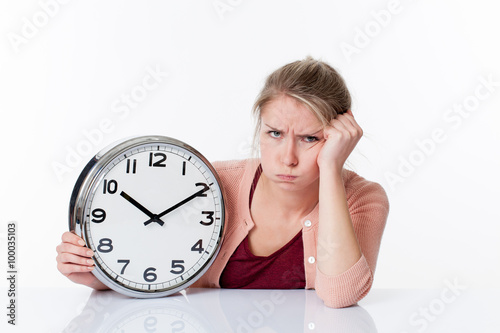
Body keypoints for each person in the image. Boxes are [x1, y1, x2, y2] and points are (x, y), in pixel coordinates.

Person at [56, 56, 389, 308]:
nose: (287, 157)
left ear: (338, 138)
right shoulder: (212, 184)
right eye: (275, 133)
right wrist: (94, 273)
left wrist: (331, 169)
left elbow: (340, 295)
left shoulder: (363, 199)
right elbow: (155, 264)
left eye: (309, 138)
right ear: (260, 127)